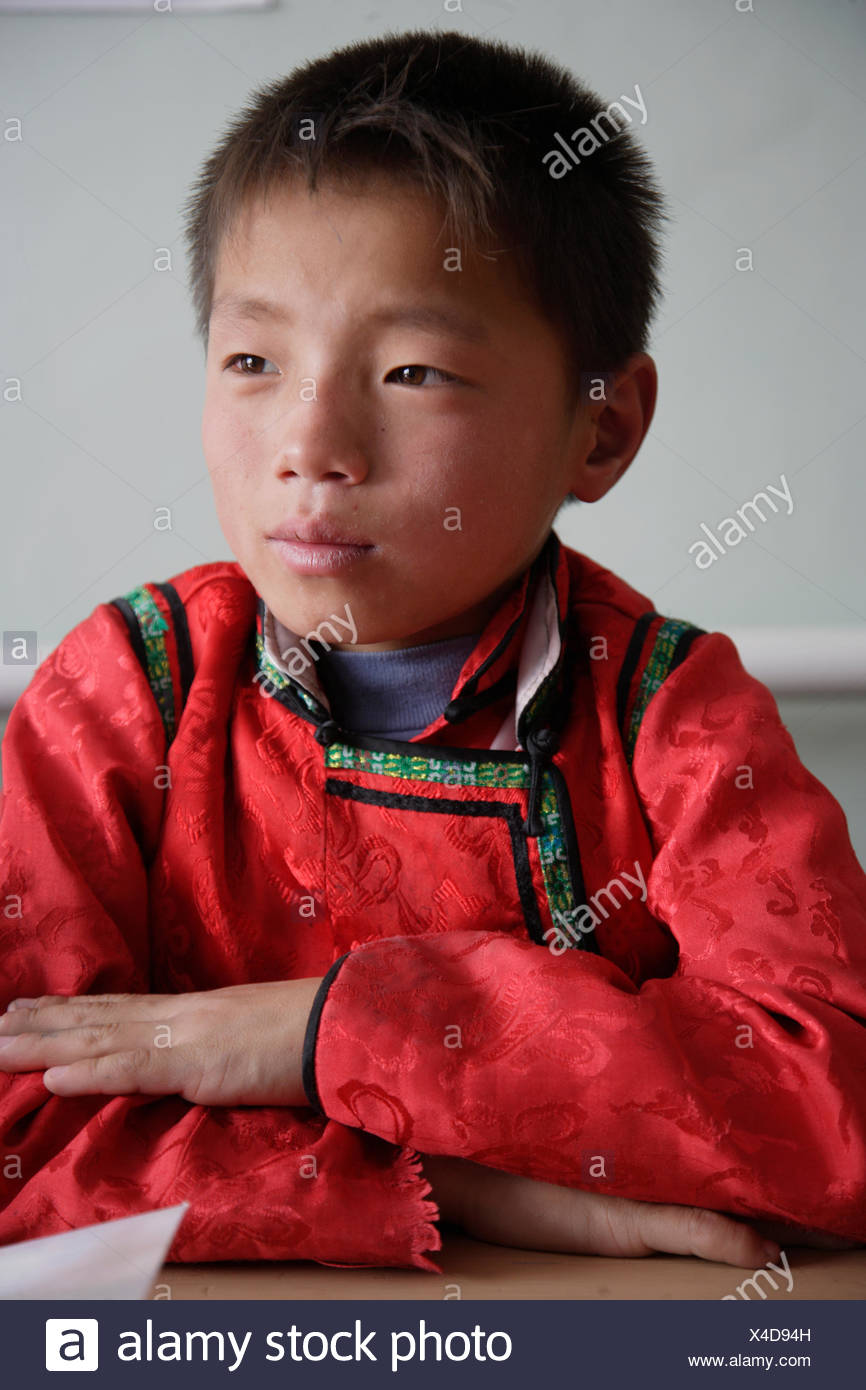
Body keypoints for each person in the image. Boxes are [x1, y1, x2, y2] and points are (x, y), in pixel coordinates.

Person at [1, 29, 863, 1275]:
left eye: (413, 370)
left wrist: (323, 1033)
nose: (309, 445)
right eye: (252, 361)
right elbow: (19, 1122)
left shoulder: (671, 716)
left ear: (601, 429)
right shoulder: (123, 693)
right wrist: (459, 1183)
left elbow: (830, 1103)